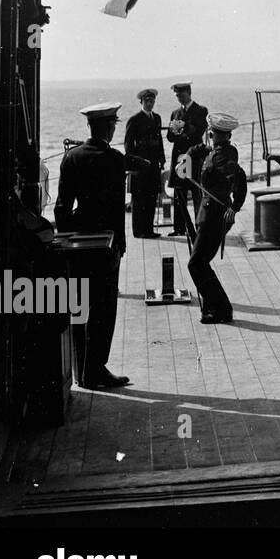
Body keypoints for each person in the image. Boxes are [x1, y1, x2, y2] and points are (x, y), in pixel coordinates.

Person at [53, 102, 151, 388]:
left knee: (79, 307)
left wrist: (69, 237)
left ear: (89, 127)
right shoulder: (115, 159)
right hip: (106, 246)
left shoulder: (70, 158)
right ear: (109, 128)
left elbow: (61, 208)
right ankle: (95, 369)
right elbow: (142, 166)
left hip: (77, 246)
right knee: (104, 309)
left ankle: (79, 372)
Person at [185, 112, 247, 324]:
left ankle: (222, 309)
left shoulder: (221, 156)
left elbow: (238, 177)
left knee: (196, 264)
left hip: (214, 215)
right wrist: (190, 155)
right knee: (201, 262)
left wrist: (236, 206)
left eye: (211, 134)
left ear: (214, 134)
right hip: (210, 213)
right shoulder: (222, 150)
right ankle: (213, 306)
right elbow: (201, 150)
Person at [166, 81, 208, 236]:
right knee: (179, 192)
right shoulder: (175, 113)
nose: (179, 99)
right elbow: (170, 137)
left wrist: (183, 128)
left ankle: (200, 226)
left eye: (181, 95)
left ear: (189, 93)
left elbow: (199, 132)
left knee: (196, 190)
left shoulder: (201, 110)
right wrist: (174, 131)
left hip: (194, 157)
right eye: (177, 96)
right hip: (179, 157)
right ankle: (179, 228)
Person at [124, 87, 165, 238]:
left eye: (152, 100)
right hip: (140, 166)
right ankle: (138, 231)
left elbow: (159, 140)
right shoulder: (134, 120)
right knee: (139, 199)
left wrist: (162, 157)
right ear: (141, 101)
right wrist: (134, 163)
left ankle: (148, 229)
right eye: (147, 101)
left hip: (153, 165)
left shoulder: (157, 118)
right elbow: (128, 145)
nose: (150, 103)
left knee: (152, 197)